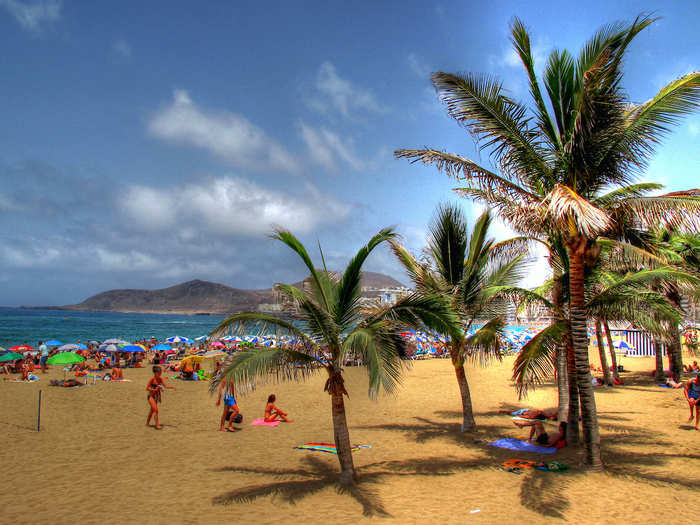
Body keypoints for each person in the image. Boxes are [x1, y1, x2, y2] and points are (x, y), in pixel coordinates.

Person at [146, 366, 175, 430]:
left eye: (160, 372)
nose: (160, 373)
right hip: (151, 396)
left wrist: (171, 387)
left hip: (156, 397)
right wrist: (154, 390)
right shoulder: (152, 379)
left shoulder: (160, 379)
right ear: (155, 373)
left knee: (152, 411)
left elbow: (165, 386)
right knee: (156, 410)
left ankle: (147, 423)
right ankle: (157, 425)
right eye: (159, 372)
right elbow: (147, 388)